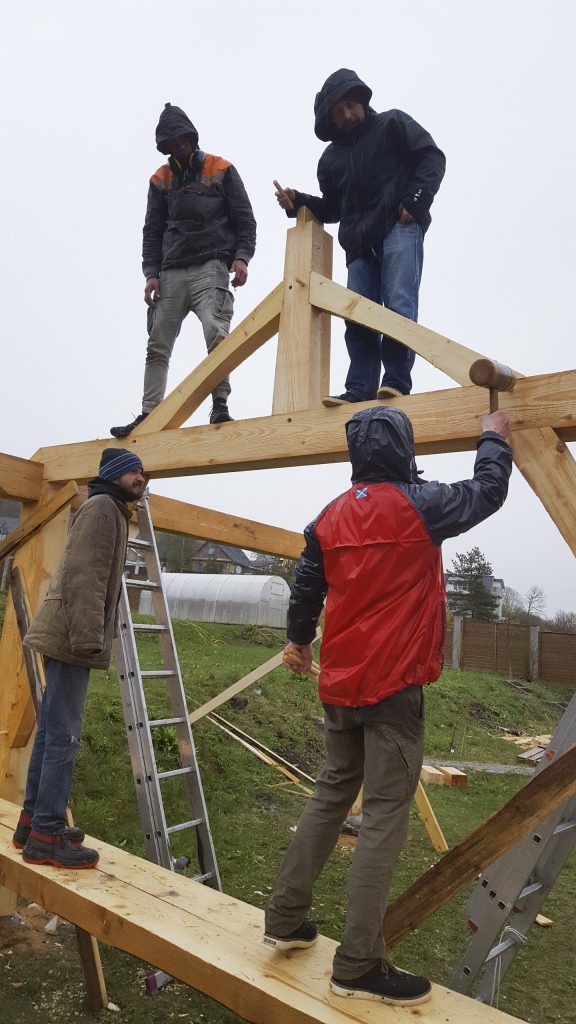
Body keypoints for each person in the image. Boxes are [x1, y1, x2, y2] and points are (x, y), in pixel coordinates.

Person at [263, 406, 512, 1006]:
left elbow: (306, 588)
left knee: (330, 794)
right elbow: (486, 493)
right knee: (381, 818)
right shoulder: (419, 505)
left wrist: (298, 639)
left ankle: (285, 918)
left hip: (343, 684)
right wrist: (492, 438)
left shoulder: (329, 517)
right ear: (403, 449)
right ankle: (357, 964)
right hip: (394, 687)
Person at [275, 69, 445, 403]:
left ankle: (395, 380)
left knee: (399, 304)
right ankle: (360, 388)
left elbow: (432, 157)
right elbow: (335, 209)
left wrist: (416, 199)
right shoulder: (330, 161)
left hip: (399, 226)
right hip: (358, 244)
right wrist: (300, 202)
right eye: (338, 112)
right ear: (330, 120)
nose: (347, 115)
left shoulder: (392, 124)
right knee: (355, 314)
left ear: (362, 102)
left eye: (350, 105)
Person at [12, 448, 147, 868]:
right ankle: (47, 835)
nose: (141, 478)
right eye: (133, 473)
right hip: (73, 637)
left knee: (53, 733)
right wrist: (89, 639)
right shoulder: (104, 509)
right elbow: (86, 577)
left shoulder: (109, 509)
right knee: (65, 737)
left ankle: (32, 823)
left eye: (143, 472)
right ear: (114, 475)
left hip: (66, 634)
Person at [111, 103, 257, 437]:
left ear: (191, 137)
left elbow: (244, 219)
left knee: (216, 332)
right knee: (157, 344)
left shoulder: (220, 168)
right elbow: (152, 230)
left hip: (212, 264)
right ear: (164, 146)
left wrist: (242, 257)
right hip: (171, 270)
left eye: (182, 139)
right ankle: (149, 414)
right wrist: (151, 274)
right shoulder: (160, 179)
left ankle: (220, 404)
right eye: (171, 142)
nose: (178, 146)